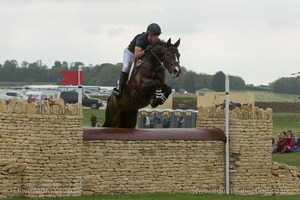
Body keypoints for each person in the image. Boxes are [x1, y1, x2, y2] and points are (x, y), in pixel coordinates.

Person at [112, 23, 162, 100]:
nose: (156, 37)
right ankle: (119, 89)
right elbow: (136, 55)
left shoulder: (156, 40)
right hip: (131, 54)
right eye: (155, 35)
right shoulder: (141, 39)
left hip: (143, 55)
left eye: (157, 35)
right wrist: (145, 51)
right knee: (125, 67)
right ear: (149, 34)